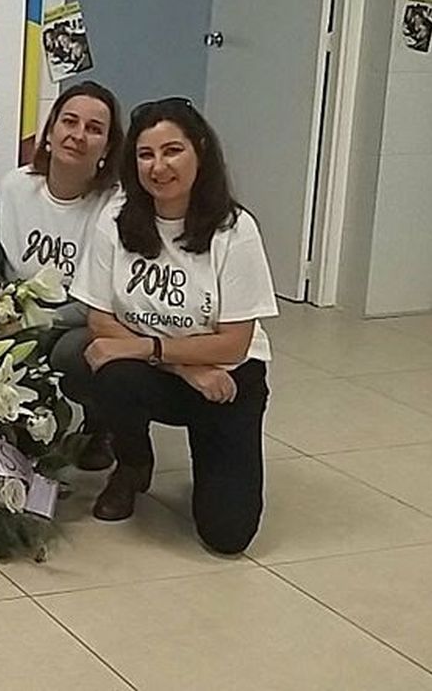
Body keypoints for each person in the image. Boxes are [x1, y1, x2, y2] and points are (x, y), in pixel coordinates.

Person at [71, 97, 278, 555]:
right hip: (173, 373)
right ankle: (132, 463)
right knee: (110, 373)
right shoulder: (116, 218)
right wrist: (183, 367)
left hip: (226, 382)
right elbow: (100, 319)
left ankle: (211, 451)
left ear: (199, 150)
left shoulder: (235, 229)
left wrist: (154, 351)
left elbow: (234, 343)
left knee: (228, 536)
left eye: (172, 151)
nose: (158, 167)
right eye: (145, 155)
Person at [0, 81, 123, 471]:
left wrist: (37, 321)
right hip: (16, 313)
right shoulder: (15, 187)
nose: (78, 135)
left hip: (80, 322)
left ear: (107, 147)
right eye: (69, 121)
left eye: (94, 129)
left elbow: (101, 300)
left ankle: (103, 426)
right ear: (50, 132)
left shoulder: (115, 205)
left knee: (72, 352)